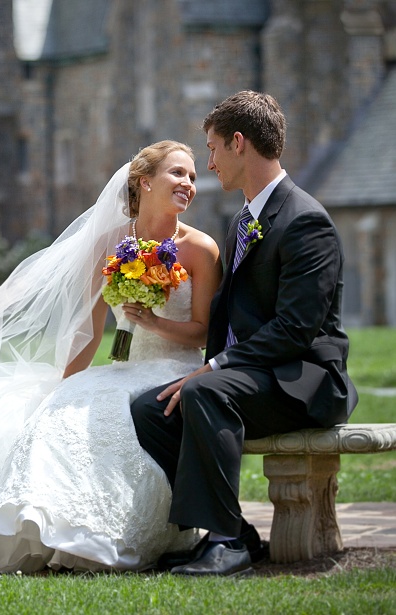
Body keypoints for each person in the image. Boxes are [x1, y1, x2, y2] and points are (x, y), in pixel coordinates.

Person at [0, 140, 223, 577]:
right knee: (54, 412)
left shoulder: (201, 249)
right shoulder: (111, 243)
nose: (188, 183)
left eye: (192, 176)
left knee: (90, 423)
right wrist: (64, 383)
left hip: (172, 367)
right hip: (124, 368)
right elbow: (88, 331)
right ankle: (32, 528)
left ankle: (94, 535)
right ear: (144, 181)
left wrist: (152, 321)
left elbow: (204, 332)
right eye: (177, 173)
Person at [131, 91, 359, 577]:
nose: (208, 163)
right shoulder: (242, 221)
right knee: (150, 410)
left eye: (212, 150)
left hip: (305, 379)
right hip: (258, 375)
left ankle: (227, 544)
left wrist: (214, 367)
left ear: (239, 144)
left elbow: (296, 329)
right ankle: (235, 530)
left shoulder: (305, 221)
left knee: (206, 392)